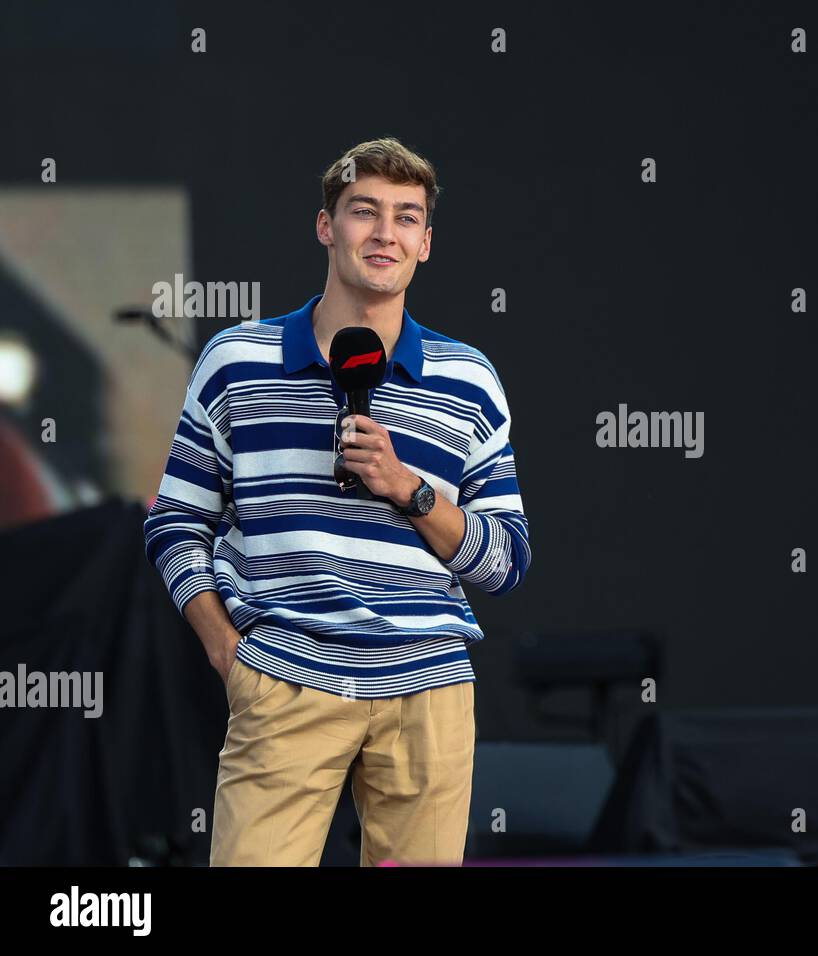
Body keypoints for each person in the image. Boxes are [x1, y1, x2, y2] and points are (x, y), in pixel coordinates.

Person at [143, 137, 530, 866]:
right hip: (282, 676)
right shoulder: (238, 359)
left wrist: (408, 489)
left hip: (429, 689)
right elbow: (175, 520)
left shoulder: (470, 378)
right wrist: (228, 652)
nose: (386, 232)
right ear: (327, 227)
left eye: (407, 218)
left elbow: (504, 562)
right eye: (365, 211)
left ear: (425, 244)